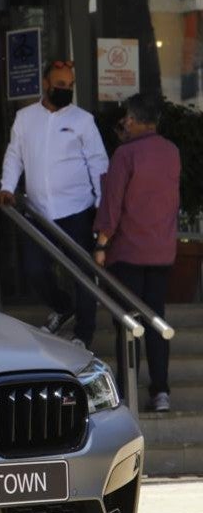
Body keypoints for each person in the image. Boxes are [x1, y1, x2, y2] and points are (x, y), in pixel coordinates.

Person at [0, 60, 108, 348]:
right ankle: (62, 306)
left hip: (77, 209)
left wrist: (102, 207)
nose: (66, 90)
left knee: (82, 274)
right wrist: (7, 186)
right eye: (60, 85)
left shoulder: (83, 120)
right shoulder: (24, 118)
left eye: (70, 86)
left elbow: (98, 164)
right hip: (38, 211)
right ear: (46, 84)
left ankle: (84, 334)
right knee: (34, 269)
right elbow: (14, 156)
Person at [94, 93, 180, 412]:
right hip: (161, 251)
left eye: (127, 117)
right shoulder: (171, 152)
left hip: (128, 251)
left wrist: (102, 244)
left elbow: (113, 204)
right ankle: (161, 391)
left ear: (132, 118)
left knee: (127, 322)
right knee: (156, 319)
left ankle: (128, 387)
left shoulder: (124, 155)